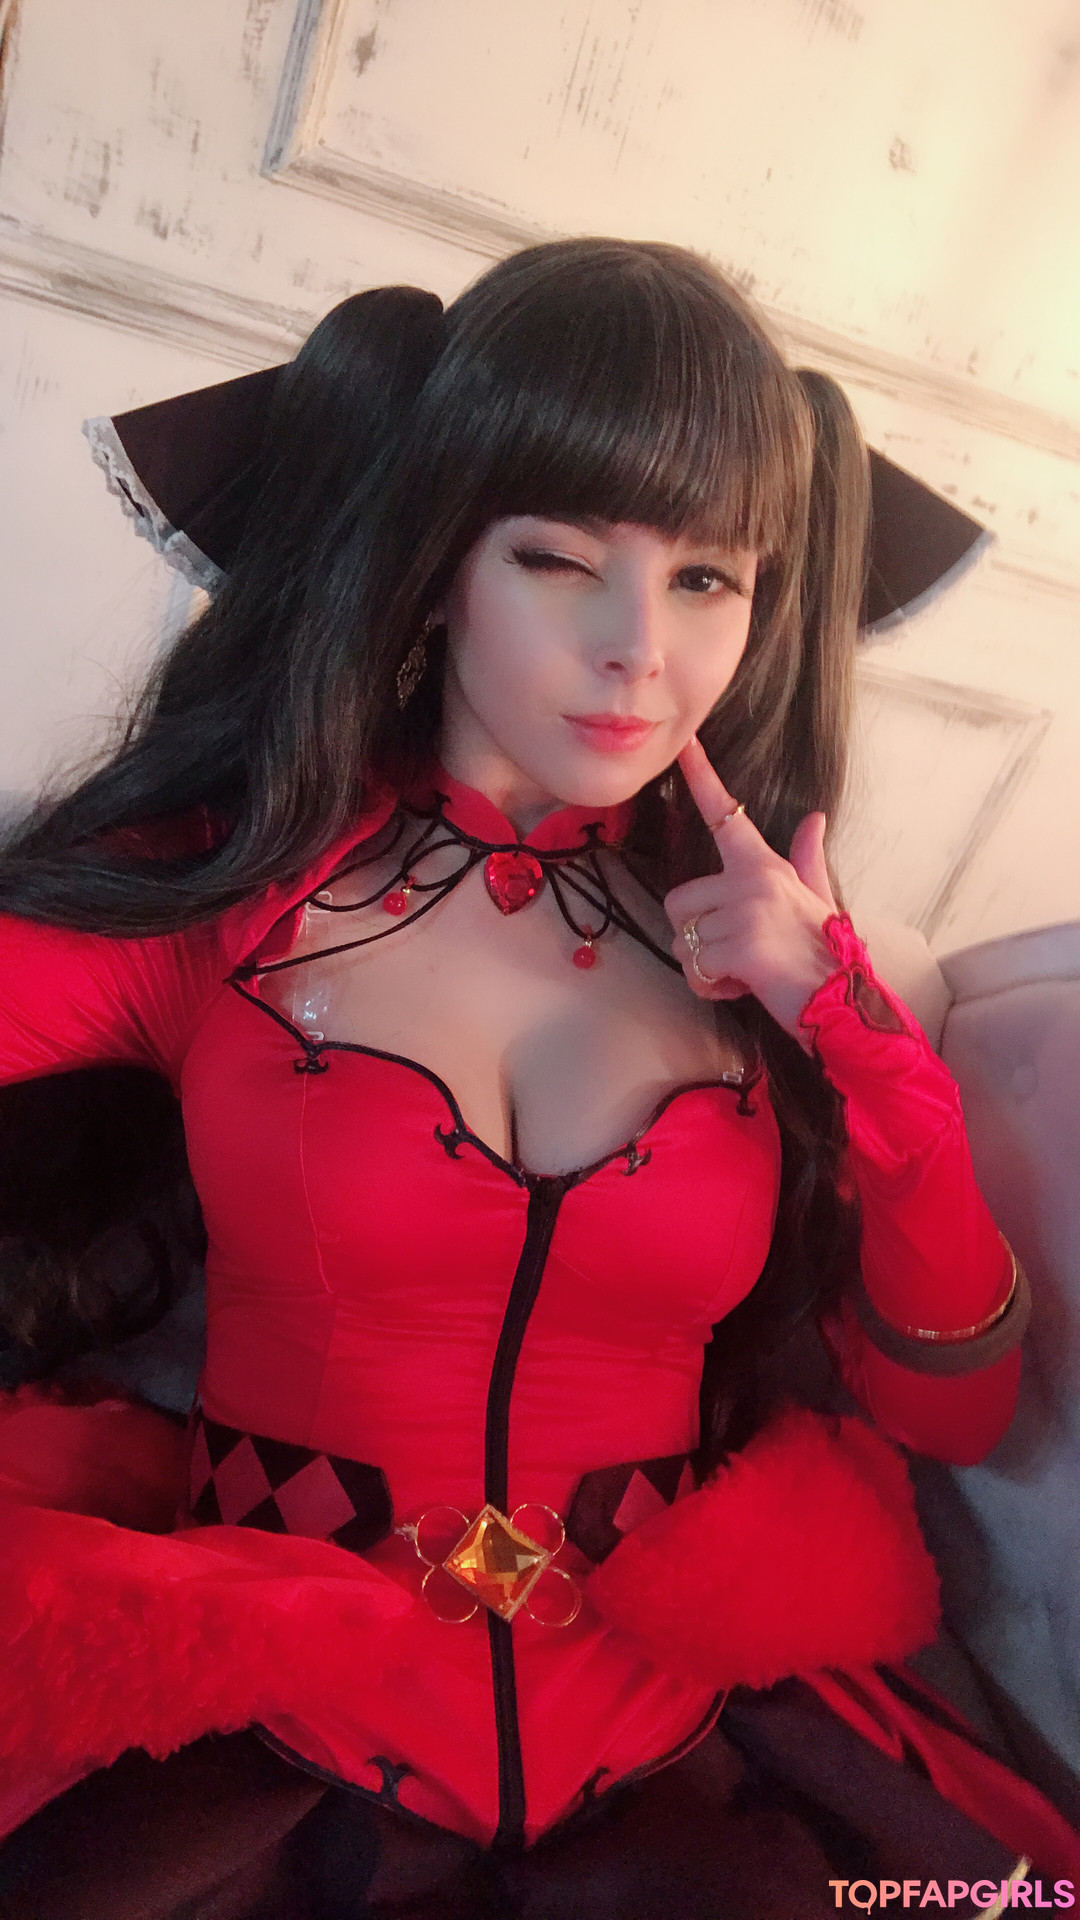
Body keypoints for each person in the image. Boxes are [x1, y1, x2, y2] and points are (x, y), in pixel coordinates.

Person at [0, 239, 1073, 1919]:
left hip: (690, 1753)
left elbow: (959, 1417)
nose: (639, 648)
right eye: (559, 558)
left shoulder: (769, 957)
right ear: (437, 566)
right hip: (262, 1745)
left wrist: (858, 1038)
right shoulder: (226, 890)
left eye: (707, 578)